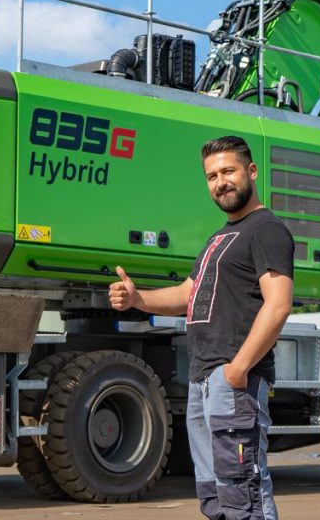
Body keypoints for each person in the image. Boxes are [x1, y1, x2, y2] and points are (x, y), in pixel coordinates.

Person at [110, 135, 293, 520]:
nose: (220, 182)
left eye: (228, 171)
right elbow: (187, 293)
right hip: (203, 381)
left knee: (244, 492)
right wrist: (137, 298)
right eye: (212, 176)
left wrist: (238, 369)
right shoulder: (220, 236)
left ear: (252, 171)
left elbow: (278, 305)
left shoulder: (266, 230)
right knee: (215, 495)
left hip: (232, 381)